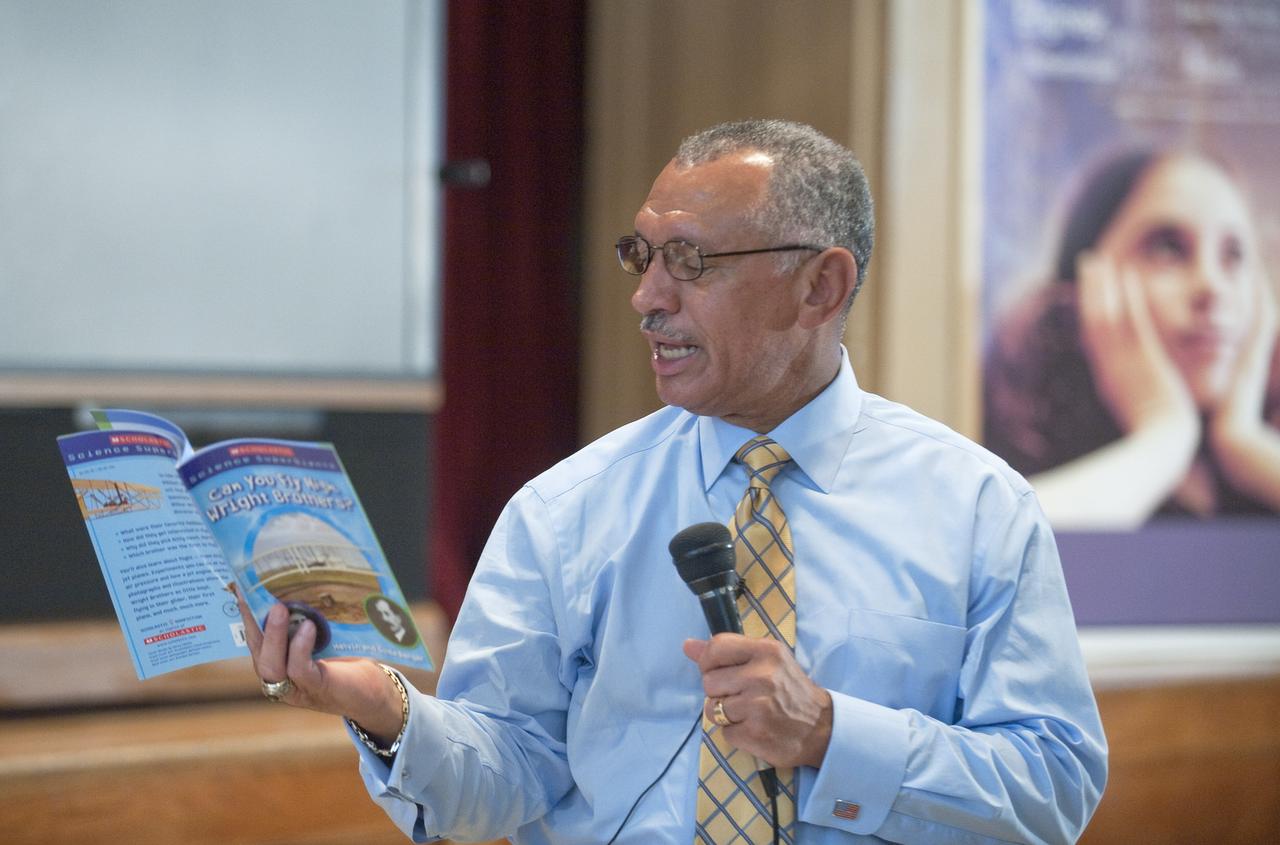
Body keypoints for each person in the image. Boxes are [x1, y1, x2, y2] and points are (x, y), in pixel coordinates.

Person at [240, 119, 1107, 843]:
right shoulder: (564, 510)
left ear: (820, 285)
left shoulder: (977, 508)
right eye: (641, 255)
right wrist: (385, 708)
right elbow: (505, 775)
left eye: (690, 261)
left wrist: (830, 733)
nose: (648, 297)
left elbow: (1054, 787)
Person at [984, 149, 1280, 529]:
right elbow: (1002, 546)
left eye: (1234, 256)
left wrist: (1246, 444)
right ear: (1085, 284)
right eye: (1168, 249)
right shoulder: (1000, 464)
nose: (1212, 287)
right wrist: (1164, 436)